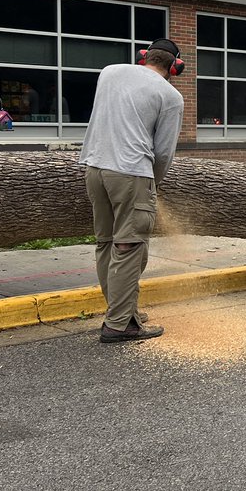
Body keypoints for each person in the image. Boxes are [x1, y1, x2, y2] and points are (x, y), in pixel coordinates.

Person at [79, 38, 185, 343]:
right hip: (130, 173)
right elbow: (163, 153)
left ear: (143, 57)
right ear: (174, 68)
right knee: (129, 247)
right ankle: (119, 325)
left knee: (106, 243)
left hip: (94, 168)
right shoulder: (171, 96)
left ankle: (124, 311)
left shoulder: (109, 72)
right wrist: (151, 185)